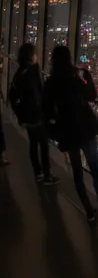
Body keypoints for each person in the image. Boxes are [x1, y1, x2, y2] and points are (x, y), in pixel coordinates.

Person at [43, 45, 98, 222]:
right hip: (84, 130)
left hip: (67, 133)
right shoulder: (74, 79)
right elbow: (91, 95)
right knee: (95, 170)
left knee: (77, 172)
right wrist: (88, 76)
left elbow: (47, 109)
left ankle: (89, 211)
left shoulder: (51, 83)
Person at [8, 44, 52, 184]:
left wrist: (21, 116)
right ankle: (47, 175)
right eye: (34, 54)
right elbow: (37, 95)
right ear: (30, 56)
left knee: (34, 144)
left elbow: (12, 96)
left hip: (28, 117)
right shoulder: (32, 73)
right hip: (37, 116)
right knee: (44, 145)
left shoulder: (20, 72)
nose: (36, 56)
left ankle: (38, 173)